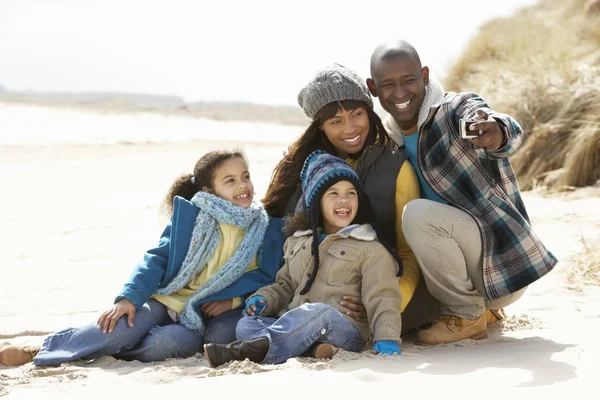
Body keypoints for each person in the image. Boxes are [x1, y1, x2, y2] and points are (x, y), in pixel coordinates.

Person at [0, 150, 285, 367]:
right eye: (230, 180)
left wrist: (233, 302)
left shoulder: (265, 226)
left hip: (204, 314)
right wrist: (129, 298)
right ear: (209, 192)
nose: (242, 185)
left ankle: (97, 351)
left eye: (245, 176)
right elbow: (157, 259)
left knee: (163, 345)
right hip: (167, 300)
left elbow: (266, 276)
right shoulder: (193, 218)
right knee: (120, 327)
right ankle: (46, 349)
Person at [366, 39, 558, 345]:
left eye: (409, 80)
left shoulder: (453, 111)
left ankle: (466, 314)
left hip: (502, 264)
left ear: (425, 76)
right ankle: (482, 310)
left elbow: (505, 128)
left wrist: (497, 131)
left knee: (416, 214)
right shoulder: (387, 141)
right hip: (461, 268)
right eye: (388, 84)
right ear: (373, 88)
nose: (400, 93)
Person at [261, 63, 438, 331]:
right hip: (307, 297)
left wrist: (390, 304)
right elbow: (282, 239)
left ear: (369, 112)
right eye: (335, 121)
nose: (350, 128)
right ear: (320, 126)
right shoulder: (301, 168)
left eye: (357, 114)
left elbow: (407, 251)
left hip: (381, 295)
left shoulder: (395, 165)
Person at [203, 151, 404, 367]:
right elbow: (285, 285)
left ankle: (250, 350)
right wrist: (263, 299)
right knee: (246, 325)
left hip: (342, 329)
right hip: (296, 325)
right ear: (316, 202)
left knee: (319, 312)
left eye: (351, 193)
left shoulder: (371, 249)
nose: (343, 200)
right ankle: (311, 349)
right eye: (333, 193)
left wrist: (387, 339)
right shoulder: (297, 242)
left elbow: (383, 297)